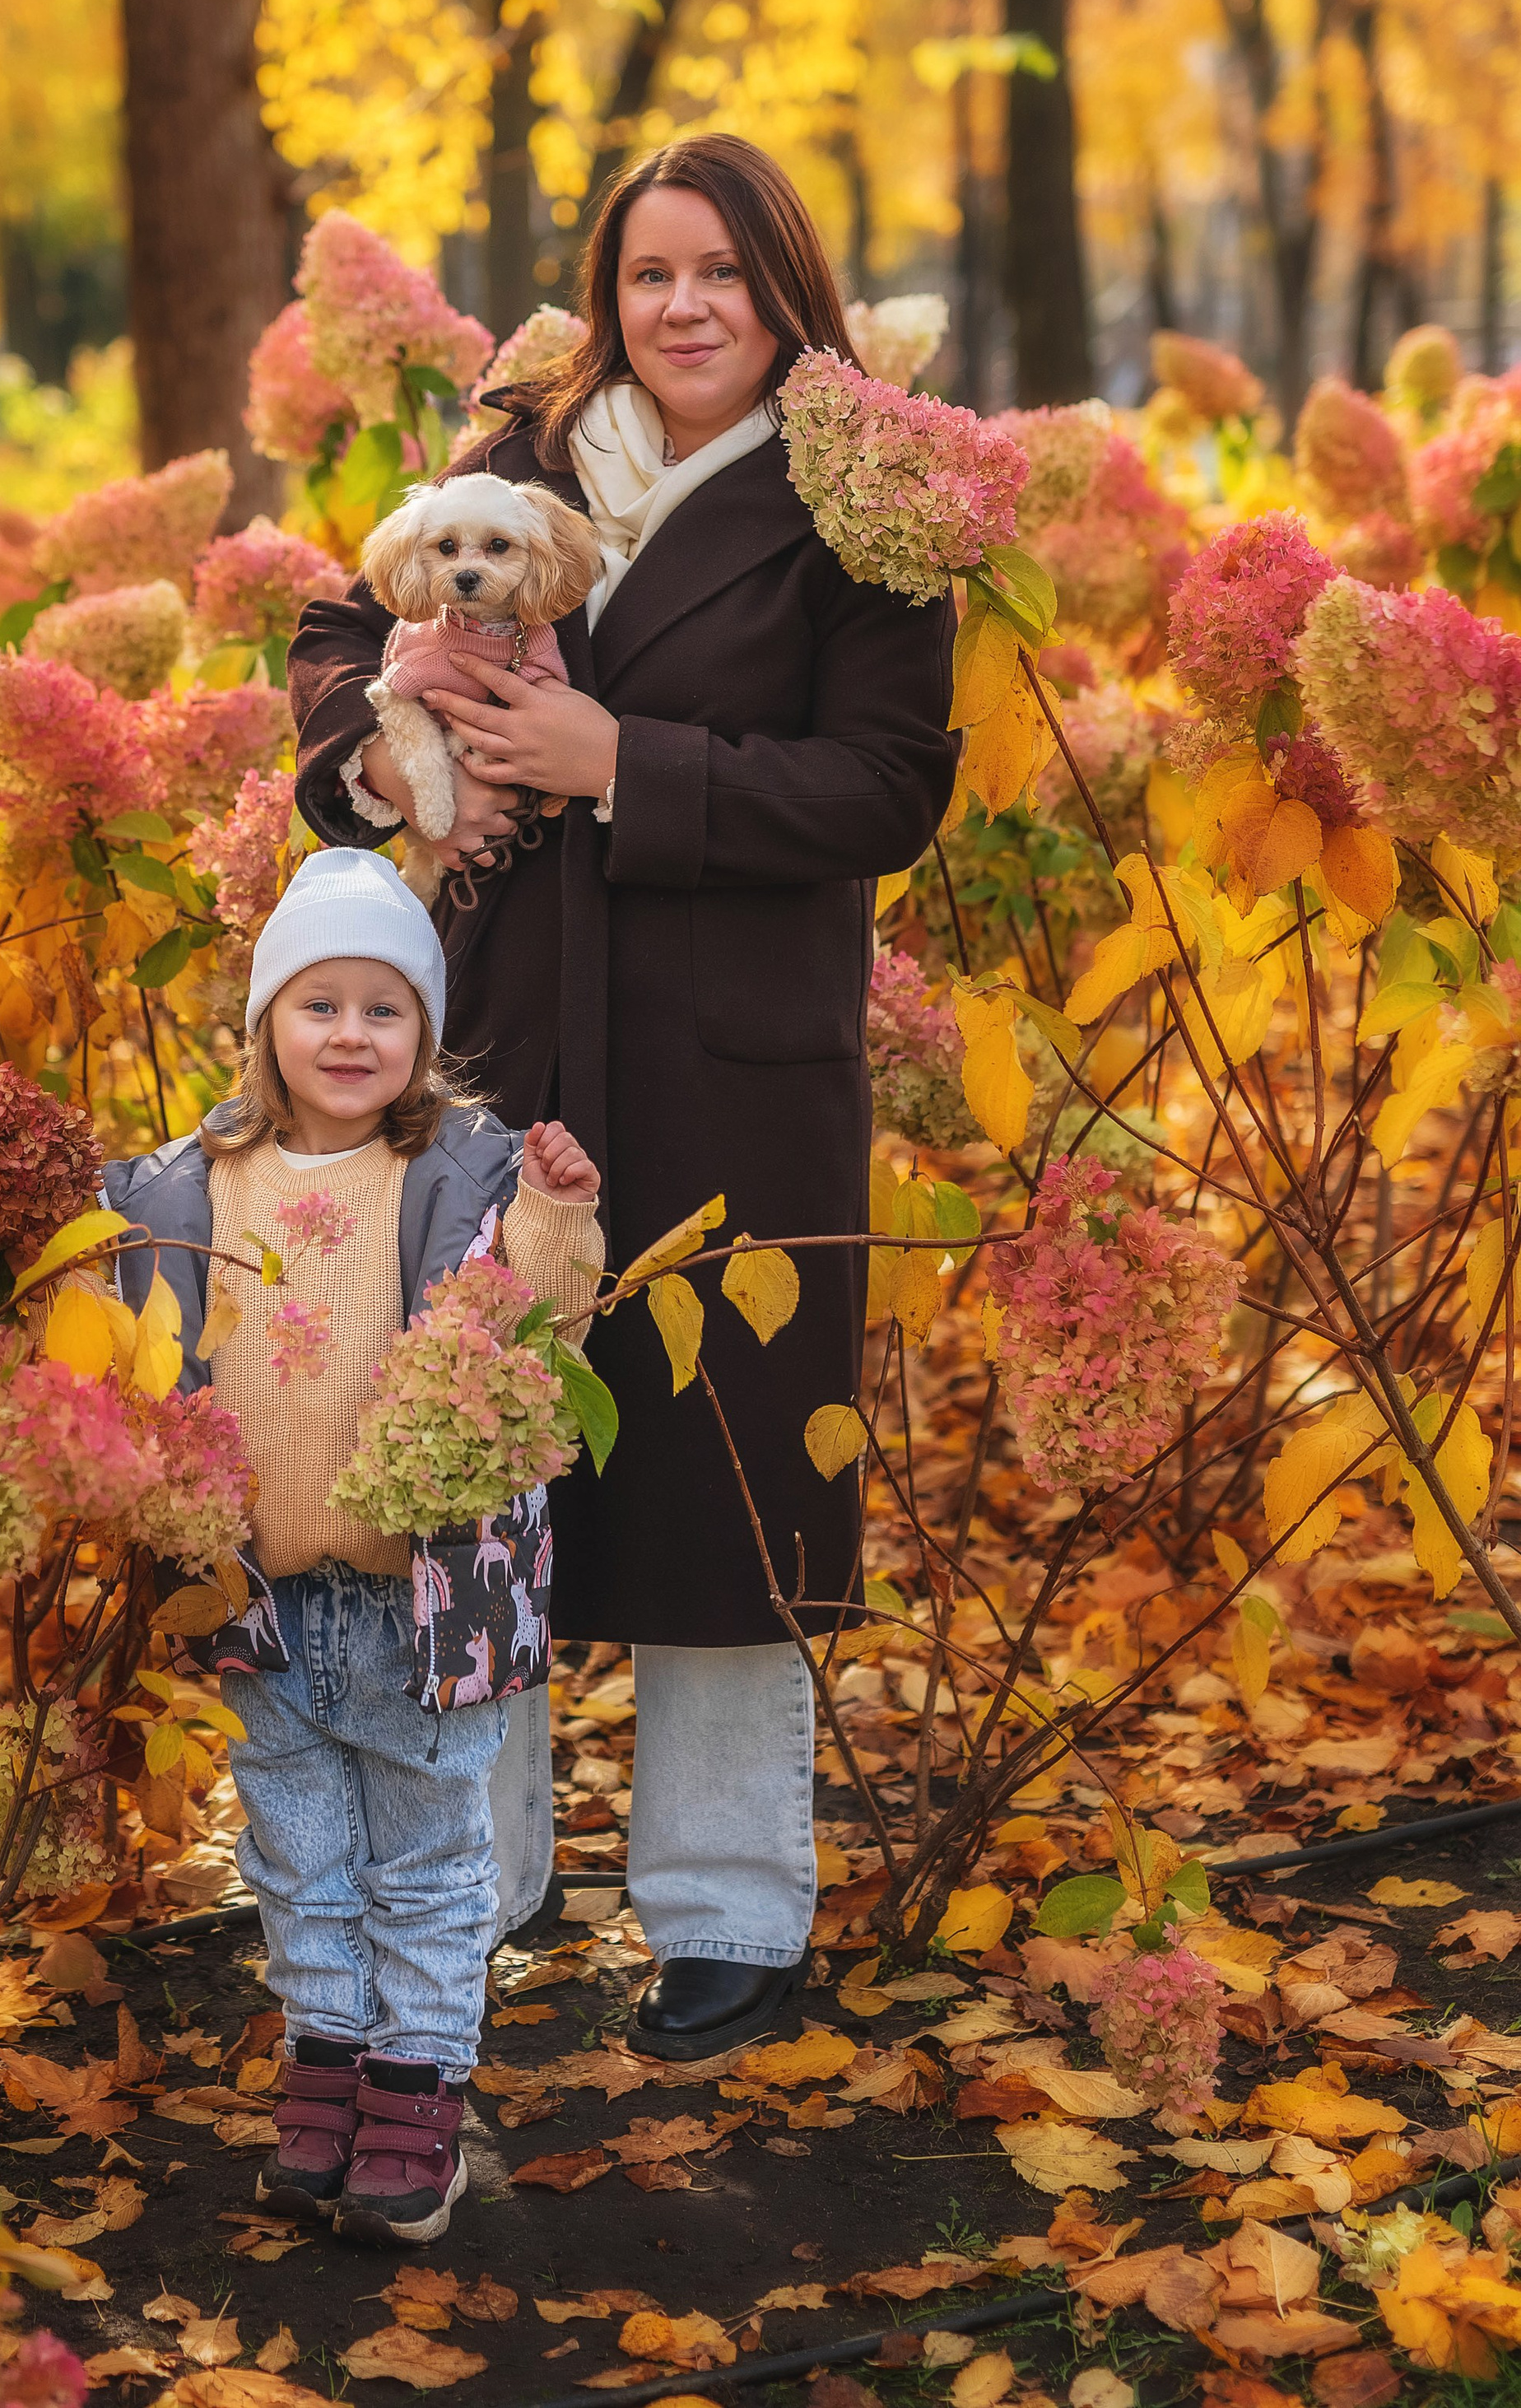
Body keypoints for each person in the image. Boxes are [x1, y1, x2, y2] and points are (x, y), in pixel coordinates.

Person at [289, 133, 958, 2063]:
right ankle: (467, 1894)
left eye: (723, 276)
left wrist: (617, 757)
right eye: (651, 272)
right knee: (470, 1457)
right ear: (609, 284)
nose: (682, 309)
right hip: (499, 1040)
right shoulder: (525, 428)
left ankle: (729, 1911)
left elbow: (886, 792)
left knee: (721, 1484)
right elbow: (342, 635)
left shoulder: (860, 487)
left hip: (729, 1049)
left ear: (785, 292)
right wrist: (390, 765)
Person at [100, 848, 604, 2242]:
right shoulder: (190, 1185)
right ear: (265, 1022)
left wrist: (559, 1207)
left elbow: (543, 1325)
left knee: (431, 1864)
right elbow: (110, 1325)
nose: (350, 1036)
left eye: (385, 1011)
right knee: (297, 1854)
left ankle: (420, 2093)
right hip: (260, 1593)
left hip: (418, 1601)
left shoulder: (459, 1170)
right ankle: (325, 2064)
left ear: (424, 1037)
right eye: (318, 1004)